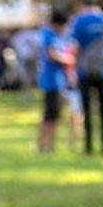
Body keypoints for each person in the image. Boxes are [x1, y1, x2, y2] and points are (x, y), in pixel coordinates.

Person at [70, 0, 103, 154]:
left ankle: (89, 147)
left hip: (85, 71)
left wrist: (74, 69)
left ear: (83, 4)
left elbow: (75, 47)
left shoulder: (80, 21)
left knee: (86, 110)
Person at [37, 10, 70, 153]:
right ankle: (44, 145)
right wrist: (70, 60)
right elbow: (53, 54)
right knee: (49, 115)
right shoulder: (49, 35)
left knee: (55, 115)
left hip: (58, 80)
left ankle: (51, 145)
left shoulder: (55, 35)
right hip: (51, 81)